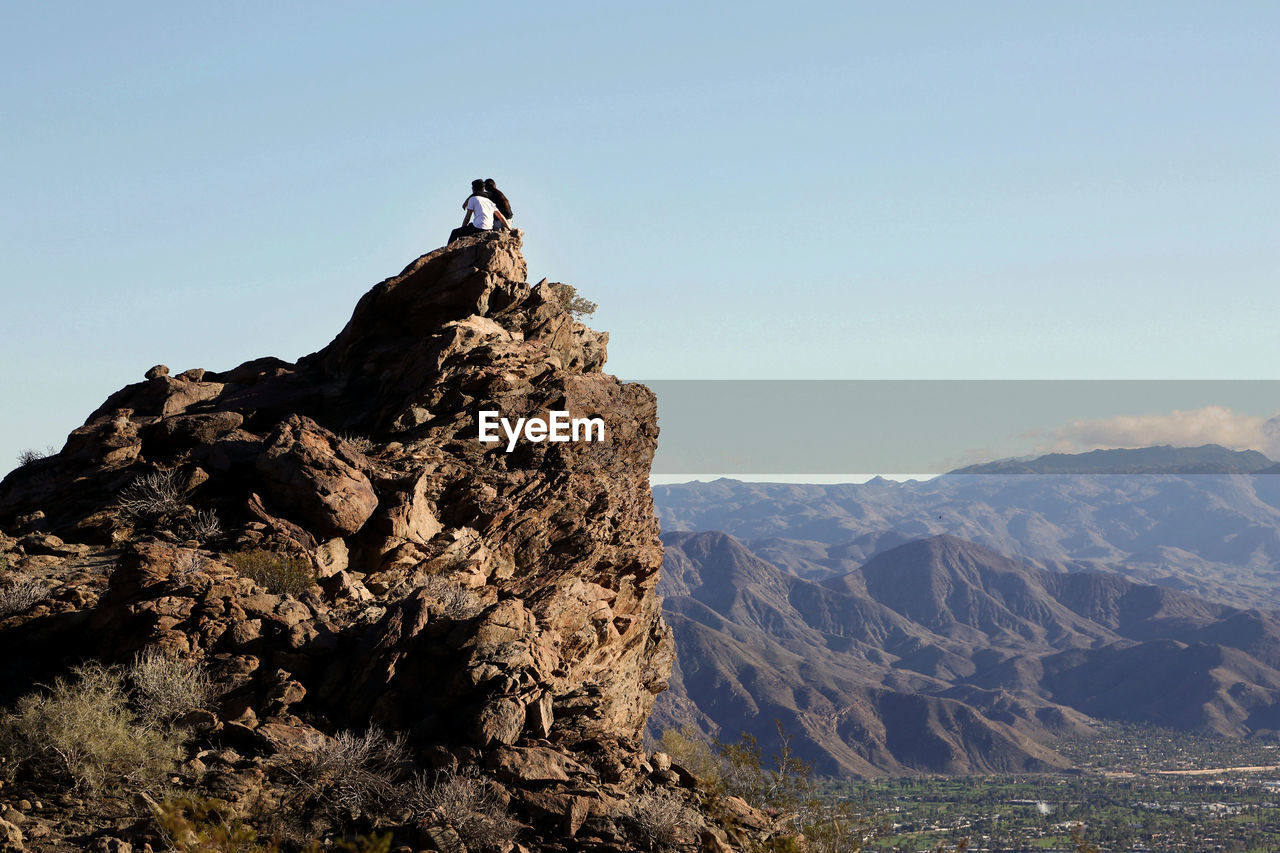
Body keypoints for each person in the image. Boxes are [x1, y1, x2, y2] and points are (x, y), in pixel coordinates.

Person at [448, 179, 510, 243]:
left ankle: (448, 252)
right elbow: (501, 217)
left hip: (478, 229)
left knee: (454, 232)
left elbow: (467, 217)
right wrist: (509, 229)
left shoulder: (473, 199)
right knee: (471, 225)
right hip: (489, 228)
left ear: (473, 189)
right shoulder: (489, 201)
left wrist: (462, 229)